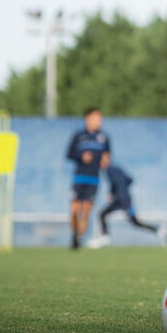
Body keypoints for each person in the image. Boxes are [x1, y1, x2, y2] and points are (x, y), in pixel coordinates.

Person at [66, 107, 110, 249]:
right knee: (74, 210)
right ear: (87, 118)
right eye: (96, 117)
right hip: (79, 177)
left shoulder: (104, 137)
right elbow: (69, 154)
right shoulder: (78, 136)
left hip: (94, 178)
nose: (99, 120)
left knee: (86, 212)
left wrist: (105, 160)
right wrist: (81, 156)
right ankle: (74, 232)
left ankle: (78, 238)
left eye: (100, 118)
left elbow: (107, 155)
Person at [88, 163, 159, 248]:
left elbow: (115, 183)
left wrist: (112, 193)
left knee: (103, 214)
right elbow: (130, 180)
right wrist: (123, 189)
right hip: (126, 199)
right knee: (134, 222)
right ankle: (157, 230)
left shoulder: (109, 170)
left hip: (120, 200)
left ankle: (105, 237)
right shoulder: (118, 169)